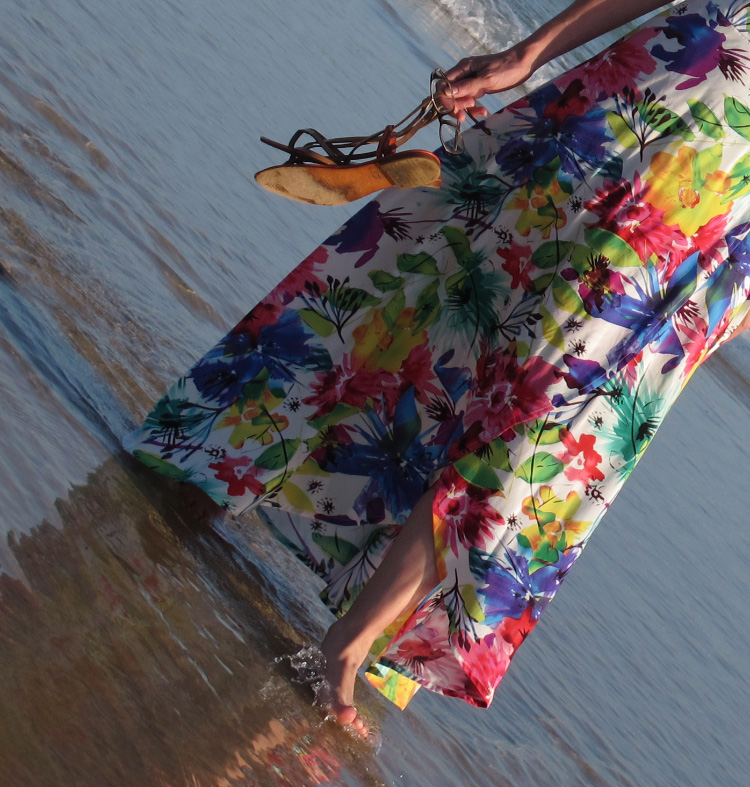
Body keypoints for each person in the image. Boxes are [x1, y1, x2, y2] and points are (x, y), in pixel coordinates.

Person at [125, 0, 750, 737]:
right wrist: (528, 53)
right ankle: (225, 463)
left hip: (708, 237)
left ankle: (352, 641)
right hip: (637, 109)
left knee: (538, 425)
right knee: (435, 295)